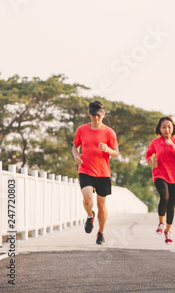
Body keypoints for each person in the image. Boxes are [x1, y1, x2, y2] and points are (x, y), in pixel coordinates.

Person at [72, 100, 119, 245]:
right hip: (85, 169)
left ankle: (101, 233)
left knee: (101, 205)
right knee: (87, 199)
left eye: (98, 115)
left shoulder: (109, 132)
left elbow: (116, 153)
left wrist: (108, 150)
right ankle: (90, 215)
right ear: (89, 114)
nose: (96, 118)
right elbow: (75, 146)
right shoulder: (81, 130)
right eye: (93, 115)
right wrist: (76, 156)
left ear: (103, 115)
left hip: (103, 173)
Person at [145, 116, 175, 244]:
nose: (166, 129)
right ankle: (161, 224)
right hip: (159, 175)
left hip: (174, 177)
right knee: (165, 196)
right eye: (164, 127)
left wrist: (172, 145)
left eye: (169, 127)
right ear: (159, 129)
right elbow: (148, 154)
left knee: (171, 205)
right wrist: (150, 161)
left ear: (173, 128)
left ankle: (168, 231)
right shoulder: (155, 142)